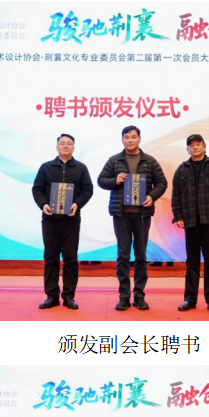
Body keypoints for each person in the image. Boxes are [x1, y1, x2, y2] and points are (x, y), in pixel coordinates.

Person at [97, 126, 168, 311]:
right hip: (121, 214)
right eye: (126, 137)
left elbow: (162, 182)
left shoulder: (149, 161)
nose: (130, 140)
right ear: (122, 140)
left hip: (142, 214)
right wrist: (115, 181)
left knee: (141, 255)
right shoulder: (114, 160)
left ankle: (139, 296)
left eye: (133, 137)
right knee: (123, 255)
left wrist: (152, 196)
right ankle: (124, 296)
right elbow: (101, 180)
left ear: (139, 139)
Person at [32, 134, 94, 310]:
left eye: (69, 144)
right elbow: (37, 189)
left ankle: (68, 297)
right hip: (50, 219)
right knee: (50, 258)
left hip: (71, 220)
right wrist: (43, 204)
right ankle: (51, 296)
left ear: (74, 148)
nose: (65, 146)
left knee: (70, 258)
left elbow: (88, 189)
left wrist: (77, 204)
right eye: (62, 144)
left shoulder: (81, 168)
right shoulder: (46, 167)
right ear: (56, 147)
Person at [172, 134, 209, 314]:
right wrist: (178, 215)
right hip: (190, 221)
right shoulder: (182, 169)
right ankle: (189, 299)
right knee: (192, 262)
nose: (195, 147)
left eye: (198, 144)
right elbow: (176, 195)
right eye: (191, 145)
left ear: (204, 147)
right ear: (187, 149)